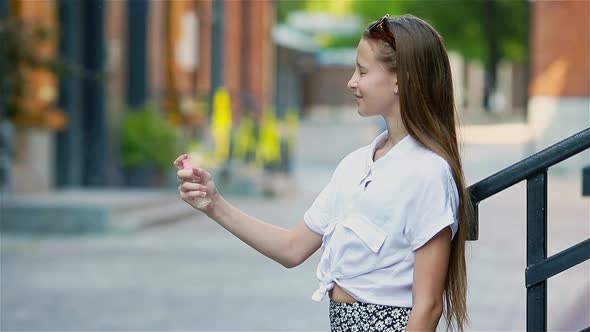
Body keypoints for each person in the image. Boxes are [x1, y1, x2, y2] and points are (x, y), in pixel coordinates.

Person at [175, 14, 473, 332]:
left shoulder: (428, 173)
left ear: (400, 78)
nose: (351, 82)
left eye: (363, 71)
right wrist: (213, 203)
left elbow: (428, 307)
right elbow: (292, 248)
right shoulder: (354, 165)